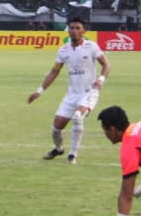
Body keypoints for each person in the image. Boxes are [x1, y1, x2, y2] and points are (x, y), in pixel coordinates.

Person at [27, 17, 110, 165]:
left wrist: (101, 79)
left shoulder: (91, 46)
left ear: (84, 31)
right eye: (72, 28)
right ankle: (59, 149)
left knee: (78, 117)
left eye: (78, 28)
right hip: (71, 94)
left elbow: (106, 65)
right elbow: (54, 71)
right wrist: (39, 91)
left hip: (89, 92)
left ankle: (73, 154)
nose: (74, 31)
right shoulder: (63, 50)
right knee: (56, 129)